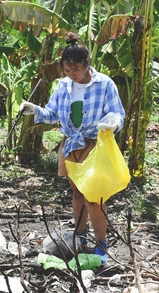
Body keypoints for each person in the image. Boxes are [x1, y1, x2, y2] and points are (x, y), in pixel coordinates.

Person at [20, 32, 125, 264]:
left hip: (94, 146)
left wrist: (113, 122)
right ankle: (79, 236)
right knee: (77, 193)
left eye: (75, 70)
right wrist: (34, 110)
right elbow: (53, 114)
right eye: (66, 71)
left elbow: (118, 113)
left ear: (87, 65)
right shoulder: (64, 86)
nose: (71, 75)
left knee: (94, 197)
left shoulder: (105, 83)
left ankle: (101, 243)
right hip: (71, 145)